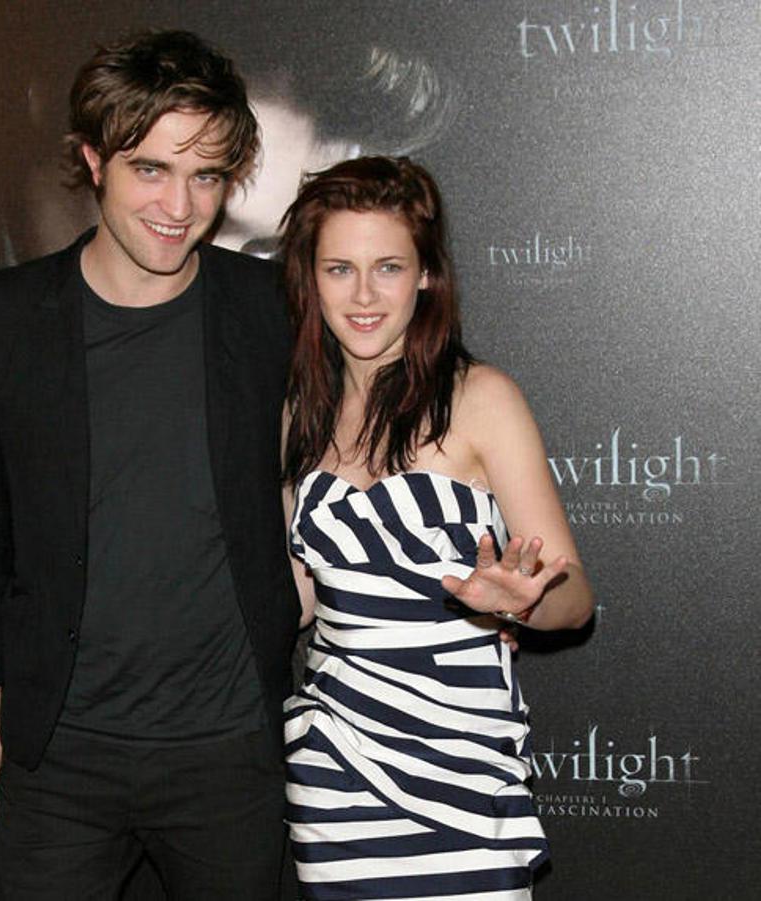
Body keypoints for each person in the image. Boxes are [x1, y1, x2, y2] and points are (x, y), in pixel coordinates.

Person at [0, 30, 299, 899]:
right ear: (92, 159)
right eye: (151, 169)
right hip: (58, 753)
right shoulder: (1, 317)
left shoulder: (270, 308)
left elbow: (380, 411)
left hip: (226, 750)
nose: (180, 205)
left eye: (206, 176)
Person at [279, 156, 594, 900]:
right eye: (339, 269)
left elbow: (575, 597)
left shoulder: (481, 399)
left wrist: (519, 600)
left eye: (387, 267)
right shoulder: (297, 415)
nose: (363, 295)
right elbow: (294, 604)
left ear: (425, 275)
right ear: (310, 280)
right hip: (336, 773)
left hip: (459, 769)